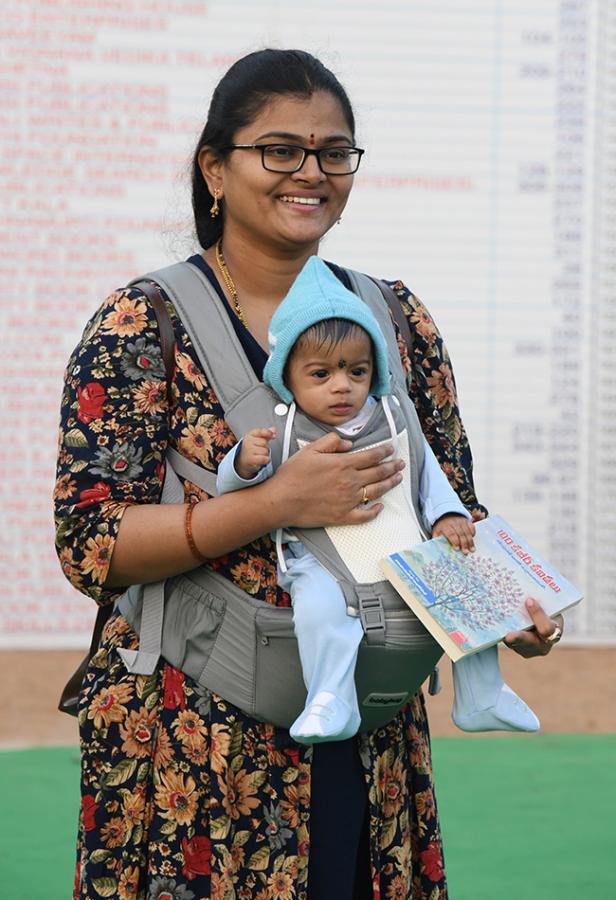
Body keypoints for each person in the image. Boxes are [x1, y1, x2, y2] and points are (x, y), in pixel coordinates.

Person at [54, 48, 565, 900]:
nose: (312, 173)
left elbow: (446, 504)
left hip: (368, 741)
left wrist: (501, 609)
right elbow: (89, 544)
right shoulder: (143, 322)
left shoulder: (395, 319)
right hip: (189, 751)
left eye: (334, 152)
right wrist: (275, 502)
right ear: (214, 169)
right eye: (280, 150)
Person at [216, 255, 540, 744]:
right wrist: (243, 462)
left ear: (375, 370)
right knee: (321, 610)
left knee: (467, 592)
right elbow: (235, 490)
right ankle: (330, 697)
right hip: (322, 556)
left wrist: (448, 514)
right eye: (321, 374)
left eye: (356, 370)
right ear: (288, 376)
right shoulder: (282, 430)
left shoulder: (393, 417)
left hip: (402, 544)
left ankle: (481, 692)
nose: (342, 385)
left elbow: (425, 471)